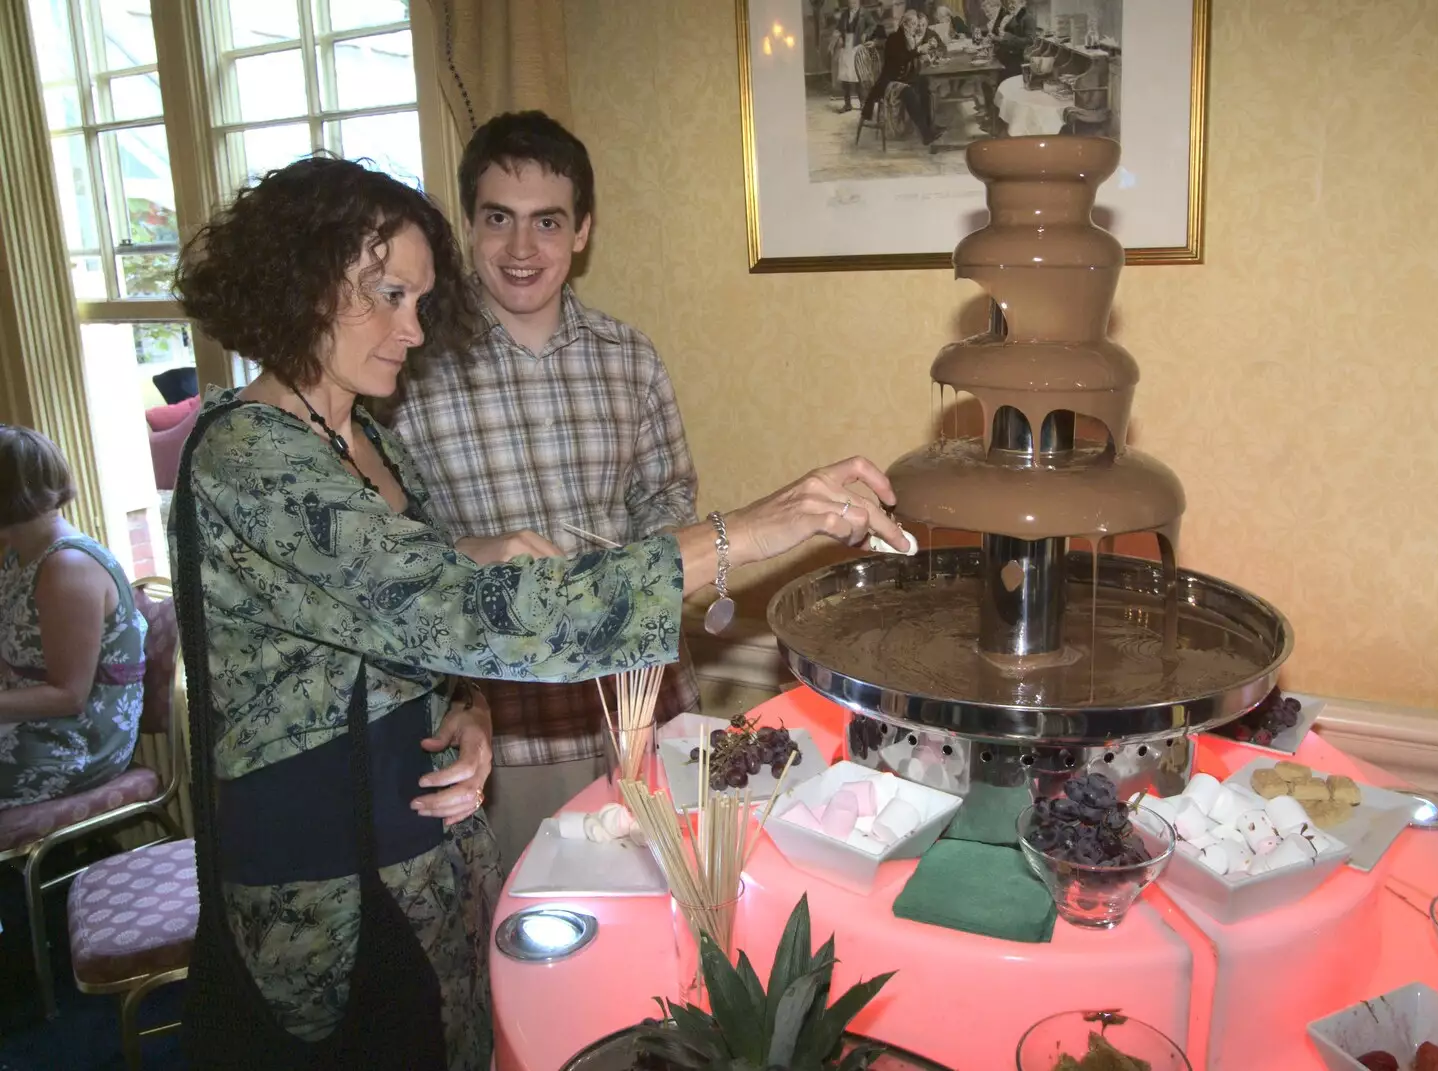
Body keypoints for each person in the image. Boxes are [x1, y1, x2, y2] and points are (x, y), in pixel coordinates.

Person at [171, 154, 908, 1070]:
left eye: (420, 299)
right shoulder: (250, 458)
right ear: (304, 287)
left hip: (425, 858)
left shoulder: (365, 437)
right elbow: (464, 610)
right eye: (389, 296)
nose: (413, 327)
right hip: (319, 890)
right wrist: (754, 530)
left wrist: (466, 708)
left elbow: (395, 618)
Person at [389, 111, 703, 863]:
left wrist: (634, 565)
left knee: (665, 939)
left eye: (548, 222)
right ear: (467, 224)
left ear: (583, 231)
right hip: (506, 741)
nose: (523, 249)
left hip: (641, 716)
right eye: (499, 219)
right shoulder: (406, 366)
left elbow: (669, 501)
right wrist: (471, 550)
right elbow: (387, 557)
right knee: (527, 953)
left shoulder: (629, 356)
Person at [0, 425, 145, 808]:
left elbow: (69, 695)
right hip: (31, 727)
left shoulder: (68, 566)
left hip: (76, 743)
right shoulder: (16, 554)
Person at [862, 11, 944, 146]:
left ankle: (930, 126)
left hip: (902, 77)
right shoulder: (895, 38)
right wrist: (918, 51)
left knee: (925, 83)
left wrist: (924, 52)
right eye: (912, 24)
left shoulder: (908, 38)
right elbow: (901, 58)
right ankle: (926, 134)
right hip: (889, 81)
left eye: (917, 24)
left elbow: (910, 58)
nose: (915, 27)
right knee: (909, 92)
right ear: (904, 24)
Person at [831, 0, 874, 112]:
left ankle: (863, 103)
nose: (852, 2)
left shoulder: (865, 13)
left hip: (857, 46)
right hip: (846, 46)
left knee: (858, 75)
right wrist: (839, 36)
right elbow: (839, 28)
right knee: (845, 76)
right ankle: (847, 104)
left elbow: (873, 25)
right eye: (850, 0)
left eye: (855, 0)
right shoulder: (845, 14)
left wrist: (866, 33)